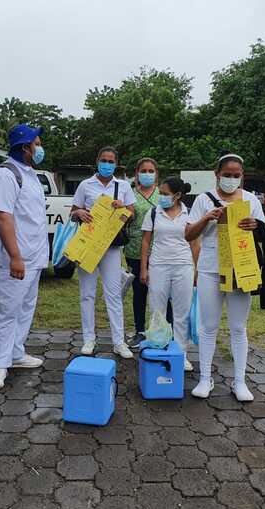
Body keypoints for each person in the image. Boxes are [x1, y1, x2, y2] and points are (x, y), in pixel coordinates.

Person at [185, 153, 265, 402]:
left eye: (236, 175)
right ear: (217, 174)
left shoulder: (251, 200)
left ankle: (239, 381)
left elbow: (264, 233)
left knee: (238, 327)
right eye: (226, 175)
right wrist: (207, 218)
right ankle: (205, 378)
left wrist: (255, 226)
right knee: (208, 326)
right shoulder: (203, 199)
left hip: (241, 269)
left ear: (242, 176)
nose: (231, 179)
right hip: (211, 268)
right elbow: (188, 234)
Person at [0, 124, 49, 390]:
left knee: (25, 307)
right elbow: (2, 216)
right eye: (37, 143)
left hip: (33, 256)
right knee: (8, 309)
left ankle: (16, 353)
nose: (40, 148)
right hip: (14, 257)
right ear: (25, 147)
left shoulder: (30, 174)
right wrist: (15, 256)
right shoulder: (4, 175)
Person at [70, 147, 135, 359]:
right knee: (87, 293)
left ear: (116, 164)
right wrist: (79, 212)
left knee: (113, 294)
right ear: (97, 161)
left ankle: (118, 341)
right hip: (88, 245)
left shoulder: (123, 185)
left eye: (111, 161)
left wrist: (123, 208)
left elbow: (132, 214)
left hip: (111, 247)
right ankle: (89, 339)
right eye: (103, 160)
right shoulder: (85, 185)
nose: (107, 164)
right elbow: (73, 212)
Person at [139, 176, 198, 371]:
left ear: (178, 195)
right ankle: (158, 350)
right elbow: (146, 242)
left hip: (183, 267)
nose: (161, 197)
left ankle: (181, 354)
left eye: (165, 194)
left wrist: (196, 269)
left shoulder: (190, 214)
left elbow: (194, 244)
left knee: (182, 313)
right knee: (157, 311)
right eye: (160, 193)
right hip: (158, 266)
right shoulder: (153, 212)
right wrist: (144, 268)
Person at [123, 158, 160, 348]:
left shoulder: (163, 194)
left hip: (160, 249)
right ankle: (140, 330)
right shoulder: (129, 195)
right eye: (143, 171)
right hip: (135, 249)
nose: (147, 174)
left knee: (161, 293)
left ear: (156, 174)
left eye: (150, 171)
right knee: (139, 292)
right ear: (136, 173)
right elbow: (124, 219)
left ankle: (161, 330)